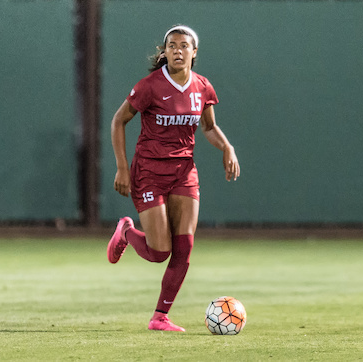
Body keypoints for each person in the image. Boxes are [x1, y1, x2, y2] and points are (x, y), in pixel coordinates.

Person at [107, 25, 240, 332]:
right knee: (159, 251)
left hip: (184, 173)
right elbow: (118, 121)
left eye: (184, 46)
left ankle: (159, 317)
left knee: (184, 249)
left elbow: (208, 127)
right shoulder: (150, 86)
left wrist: (227, 147)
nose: (178, 50)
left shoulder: (203, 87)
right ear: (164, 52)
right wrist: (123, 167)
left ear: (194, 53)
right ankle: (126, 231)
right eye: (172, 46)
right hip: (150, 172)